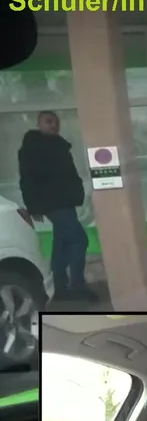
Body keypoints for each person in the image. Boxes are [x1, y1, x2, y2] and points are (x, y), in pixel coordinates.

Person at [18, 110, 95, 301]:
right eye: (49, 121)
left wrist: (76, 193)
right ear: (39, 124)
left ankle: (60, 288)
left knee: (62, 243)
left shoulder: (58, 145)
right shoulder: (34, 146)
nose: (54, 125)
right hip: (53, 202)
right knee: (79, 240)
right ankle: (76, 285)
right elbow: (27, 178)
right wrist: (33, 206)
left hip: (64, 201)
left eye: (56, 122)